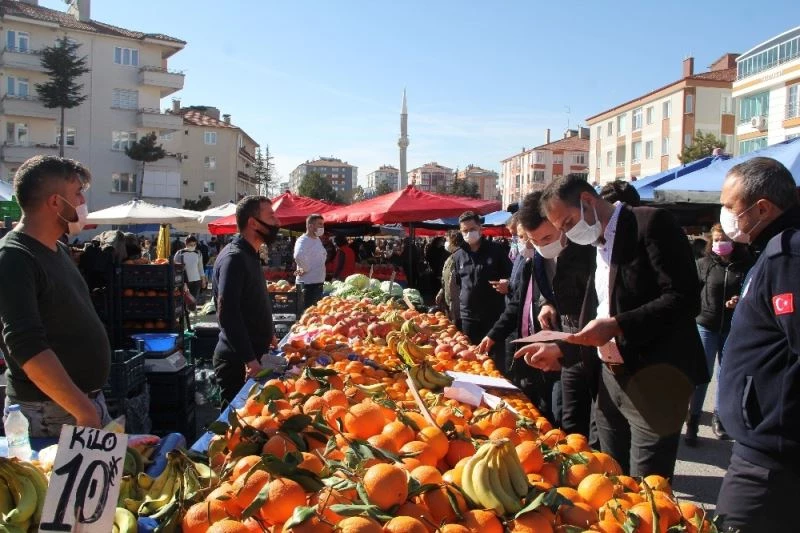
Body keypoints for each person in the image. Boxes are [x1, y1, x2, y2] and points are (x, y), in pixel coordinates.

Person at [531, 174, 707, 477]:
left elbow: (684, 298)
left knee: (645, 485)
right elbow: (598, 309)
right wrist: (562, 349)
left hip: (656, 379)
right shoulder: (593, 244)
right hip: (609, 378)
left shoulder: (651, 224)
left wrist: (618, 326)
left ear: (587, 201)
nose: (568, 233)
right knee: (609, 475)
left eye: (568, 223)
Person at [714, 157, 800, 532]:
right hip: (762, 445)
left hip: (770, 456)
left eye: (731, 208)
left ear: (762, 208)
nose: (726, 217)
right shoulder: (772, 248)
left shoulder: (789, 255)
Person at [0, 155, 111, 436]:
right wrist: (82, 409)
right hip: (51, 412)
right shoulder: (14, 257)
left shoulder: (58, 250)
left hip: (80, 404)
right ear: (54, 203)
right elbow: (26, 346)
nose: (83, 201)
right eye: (77, 193)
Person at [510, 192, 598, 445]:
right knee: (569, 422)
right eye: (534, 240)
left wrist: (562, 348)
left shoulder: (586, 252)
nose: (542, 245)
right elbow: (553, 290)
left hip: (591, 349)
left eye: (547, 237)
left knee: (591, 428)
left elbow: (591, 308)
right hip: (566, 349)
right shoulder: (539, 258)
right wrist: (549, 303)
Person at [685, 224, 752, 446]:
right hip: (705, 325)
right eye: (715, 240)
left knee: (726, 375)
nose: (719, 244)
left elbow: (751, 294)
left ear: (733, 242)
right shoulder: (703, 265)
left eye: (723, 239)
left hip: (732, 327)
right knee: (701, 375)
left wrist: (740, 302)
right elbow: (690, 292)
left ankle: (719, 418)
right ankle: (693, 420)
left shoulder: (744, 266)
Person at [212, 196, 279, 404]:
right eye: (271, 217)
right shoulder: (235, 258)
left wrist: (269, 333)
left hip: (253, 356)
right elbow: (228, 314)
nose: (277, 223)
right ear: (253, 223)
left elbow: (251, 301)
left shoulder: (250, 254)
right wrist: (250, 361)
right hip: (237, 362)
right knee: (236, 426)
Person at [453, 211, 512, 368]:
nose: (469, 233)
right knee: (469, 360)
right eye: (465, 231)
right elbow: (459, 283)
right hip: (468, 317)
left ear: (480, 228)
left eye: (472, 229)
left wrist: (508, 284)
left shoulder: (496, 250)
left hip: (492, 316)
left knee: (494, 362)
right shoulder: (458, 255)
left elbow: (512, 276)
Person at [294, 214, 327, 311]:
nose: (322, 227)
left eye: (323, 224)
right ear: (310, 226)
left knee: (315, 313)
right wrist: (305, 269)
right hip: (308, 285)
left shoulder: (317, 240)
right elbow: (298, 256)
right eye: (319, 224)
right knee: (308, 314)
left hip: (317, 284)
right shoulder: (303, 240)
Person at [175, 235, 206, 327]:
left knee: (193, 300)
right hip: (184, 281)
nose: (192, 246)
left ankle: (192, 321)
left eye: (194, 244)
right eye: (190, 244)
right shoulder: (180, 253)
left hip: (196, 280)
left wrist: (203, 279)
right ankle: (184, 317)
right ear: (186, 244)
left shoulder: (198, 253)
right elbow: (176, 266)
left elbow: (200, 267)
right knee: (184, 300)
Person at [435, 231, 463, 328]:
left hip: (458, 306)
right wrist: (441, 292)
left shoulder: (461, 258)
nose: (445, 243)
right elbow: (446, 280)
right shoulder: (450, 257)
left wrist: (453, 304)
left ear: (453, 241)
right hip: (449, 302)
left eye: (447, 240)